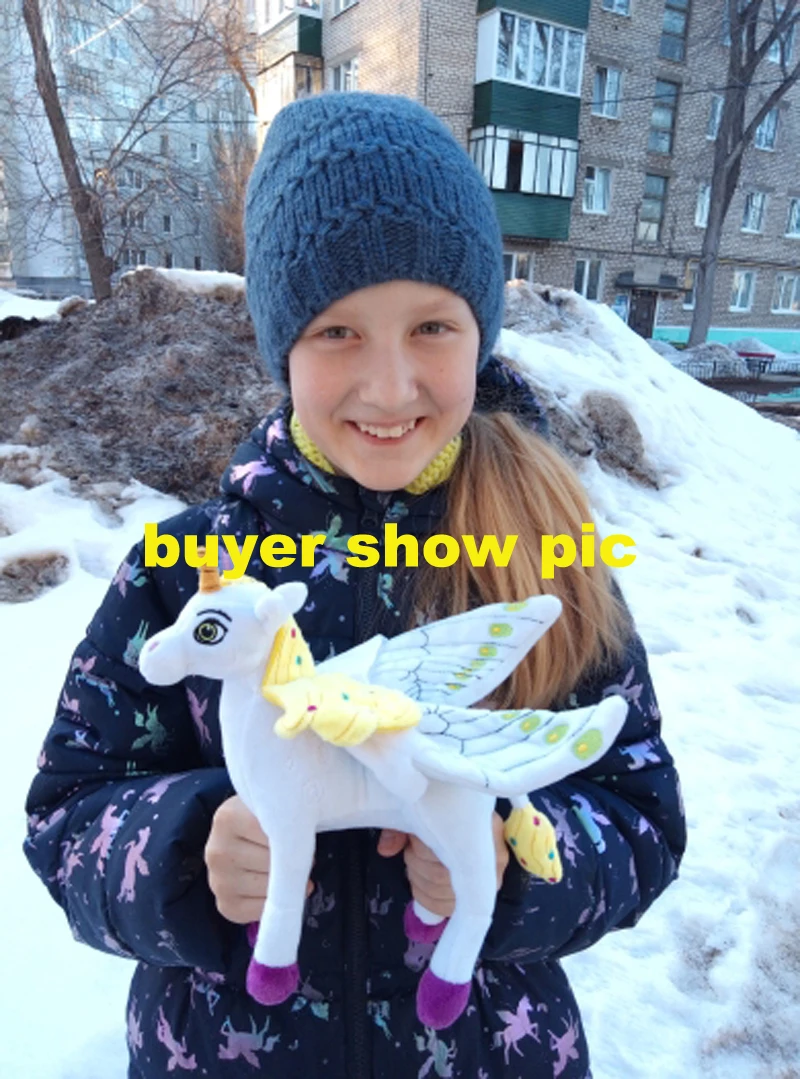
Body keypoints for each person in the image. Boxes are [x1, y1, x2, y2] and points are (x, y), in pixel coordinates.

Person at [24, 92, 686, 1079]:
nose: (388, 385)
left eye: (432, 326)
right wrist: (183, 846)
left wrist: (517, 859)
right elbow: (68, 811)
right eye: (338, 331)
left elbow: (638, 810)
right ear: (281, 342)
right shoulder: (183, 572)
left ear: (481, 332)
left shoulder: (543, 553)